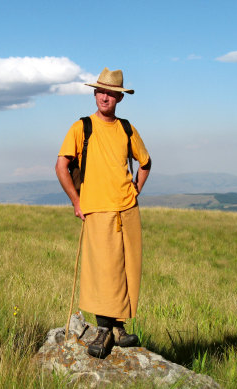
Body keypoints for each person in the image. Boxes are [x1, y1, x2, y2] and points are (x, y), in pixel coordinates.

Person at [55, 67, 151, 359]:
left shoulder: (126, 128)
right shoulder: (81, 127)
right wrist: (76, 201)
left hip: (127, 209)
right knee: (102, 271)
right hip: (97, 209)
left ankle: (118, 329)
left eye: (111, 93)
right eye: (101, 91)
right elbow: (61, 166)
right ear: (95, 94)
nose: (105, 97)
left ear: (119, 98)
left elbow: (145, 162)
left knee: (126, 269)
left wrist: (136, 190)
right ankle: (103, 330)